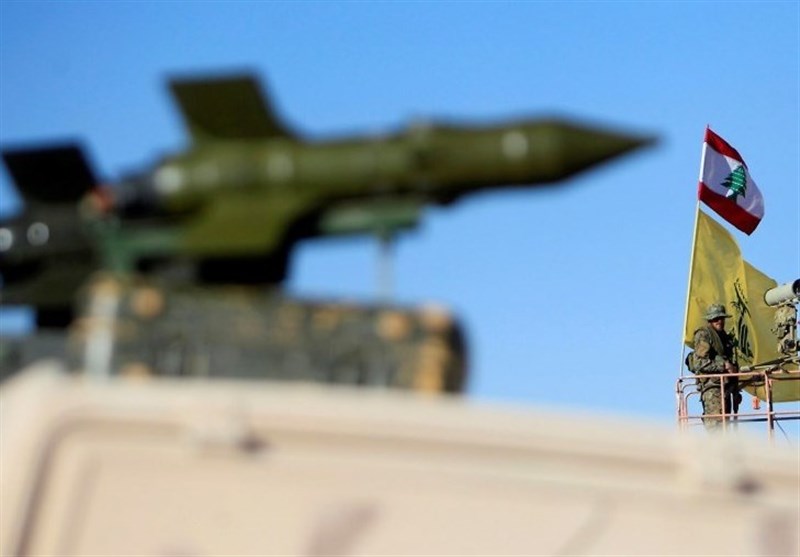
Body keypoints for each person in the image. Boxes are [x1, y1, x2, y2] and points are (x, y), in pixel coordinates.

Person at [686, 304, 742, 431]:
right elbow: (699, 363)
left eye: (721, 318)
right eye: (716, 319)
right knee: (716, 429)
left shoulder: (724, 337)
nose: (719, 321)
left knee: (724, 429)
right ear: (710, 320)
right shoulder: (704, 335)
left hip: (725, 389)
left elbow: (731, 363)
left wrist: (735, 390)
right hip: (712, 389)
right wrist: (723, 365)